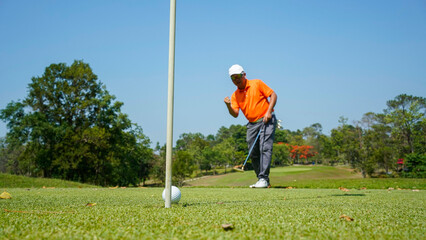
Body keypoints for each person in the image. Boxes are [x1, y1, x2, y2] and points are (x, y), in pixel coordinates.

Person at [224, 64, 277, 188]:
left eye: (238, 76)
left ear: (244, 75)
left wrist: (269, 112)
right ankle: (262, 180)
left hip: (266, 119)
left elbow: (273, 95)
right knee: (253, 152)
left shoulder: (257, 83)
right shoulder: (235, 95)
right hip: (252, 124)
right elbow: (235, 114)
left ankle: (263, 179)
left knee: (265, 148)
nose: (236, 80)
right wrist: (228, 105)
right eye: (233, 78)